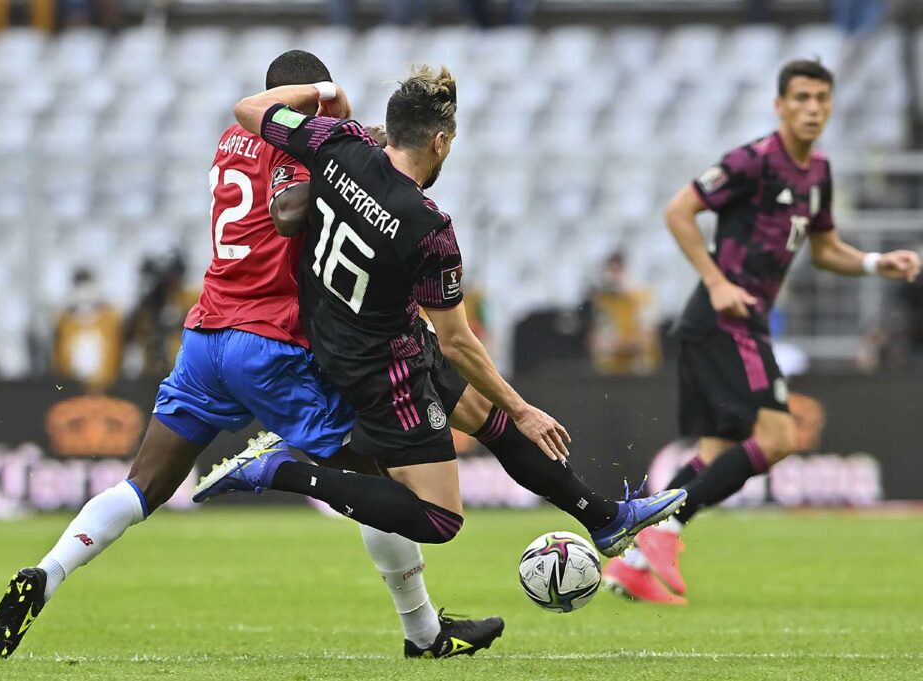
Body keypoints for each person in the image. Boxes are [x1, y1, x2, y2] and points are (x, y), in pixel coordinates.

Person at [0, 51, 501, 662]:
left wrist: (360, 142)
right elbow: (289, 213)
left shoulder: (232, 141)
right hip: (269, 342)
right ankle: (424, 634)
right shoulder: (298, 147)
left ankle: (48, 572)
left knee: (142, 485)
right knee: (376, 477)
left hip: (205, 337)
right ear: (305, 100)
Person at [195, 67, 686, 563]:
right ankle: (277, 470)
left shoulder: (336, 144)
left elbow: (247, 109)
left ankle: (604, 519)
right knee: (440, 517)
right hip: (379, 369)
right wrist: (525, 408)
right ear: (439, 142)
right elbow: (458, 340)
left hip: (372, 334)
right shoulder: (428, 226)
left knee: (489, 421)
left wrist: (326, 93)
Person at [603, 59, 921, 603]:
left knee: (714, 452)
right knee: (777, 438)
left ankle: (632, 563)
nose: (812, 108)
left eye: (821, 98)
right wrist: (717, 280)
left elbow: (823, 250)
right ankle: (665, 532)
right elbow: (679, 211)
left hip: (728, 325)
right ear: (779, 106)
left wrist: (873, 263)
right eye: (800, 97)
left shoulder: (817, 172)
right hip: (724, 318)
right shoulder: (752, 161)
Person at [585, 250, 661, 376]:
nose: (613, 277)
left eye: (617, 271)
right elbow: (596, 344)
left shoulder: (642, 298)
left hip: (640, 374)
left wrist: (616, 344)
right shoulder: (602, 300)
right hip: (609, 373)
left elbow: (646, 341)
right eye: (611, 271)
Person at [52, 267, 123, 390]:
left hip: (106, 387)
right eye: (80, 288)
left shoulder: (110, 318)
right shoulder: (64, 321)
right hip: (72, 388)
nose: (84, 294)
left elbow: (118, 352)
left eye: (88, 288)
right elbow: (58, 359)